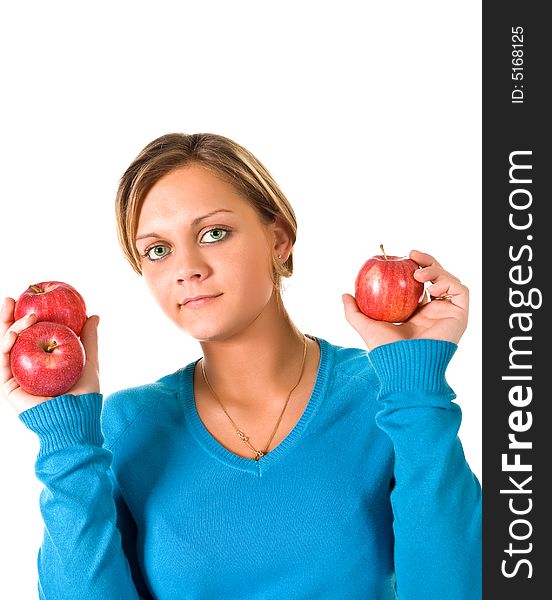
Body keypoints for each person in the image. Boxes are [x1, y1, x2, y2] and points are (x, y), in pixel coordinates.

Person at [1, 132, 482, 599]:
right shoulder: (125, 427)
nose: (186, 267)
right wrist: (66, 441)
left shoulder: (386, 395)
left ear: (279, 239)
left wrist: (418, 383)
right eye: (158, 250)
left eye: (213, 233)